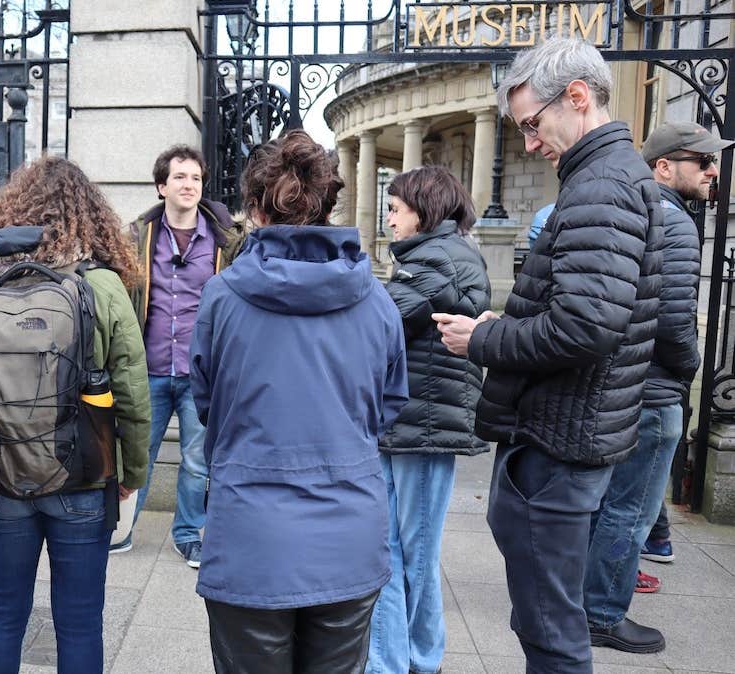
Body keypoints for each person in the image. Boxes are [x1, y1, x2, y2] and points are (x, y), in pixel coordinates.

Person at [435, 37, 663, 672]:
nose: (530, 143)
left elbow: (586, 326)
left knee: (551, 631)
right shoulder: (608, 178)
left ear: (579, 98)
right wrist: (507, 320)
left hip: (561, 439)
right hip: (573, 430)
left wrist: (481, 338)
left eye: (533, 124)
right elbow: (589, 309)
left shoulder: (603, 186)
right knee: (548, 620)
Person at [190, 130, 408, 674]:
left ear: (254, 210)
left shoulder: (222, 296)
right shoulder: (377, 299)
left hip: (251, 536)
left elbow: (207, 401)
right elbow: (389, 405)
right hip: (349, 530)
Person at [0, 156, 151, 674]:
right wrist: (132, 473)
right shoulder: (101, 285)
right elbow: (133, 396)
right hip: (82, 478)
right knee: (78, 622)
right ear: (91, 215)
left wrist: (6, 422)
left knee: (2, 614)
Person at [581, 120, 726, 653]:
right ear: (663, 167)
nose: (713, 171)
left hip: (621, 385)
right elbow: (673, 318)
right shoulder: (678, 224)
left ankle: (584, 601)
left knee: (605, 503)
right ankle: (601, 613)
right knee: (633, 508)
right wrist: (688, 367)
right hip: (657, 389)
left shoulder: (634, 211)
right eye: (702, 162)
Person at [367, 166, 491, 674]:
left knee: (406, 552)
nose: (389, 219)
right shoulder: (437, 255)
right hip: (417, 420)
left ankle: (400, 660)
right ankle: (415, 656)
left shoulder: (437, 261)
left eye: (395, 209)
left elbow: (377, 321)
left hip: (424, 424)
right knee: (403, 547)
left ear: (425, 210)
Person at [117, 145, 246, 563]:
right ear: (162, 186)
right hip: (148, 369)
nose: (188, 184)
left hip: (200, 373)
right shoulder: (136, 238)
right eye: (179, 177)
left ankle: (188, 533)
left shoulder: (228, 241)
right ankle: (121, 528)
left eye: (195, 178)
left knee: (196, 461)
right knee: (138, 455)